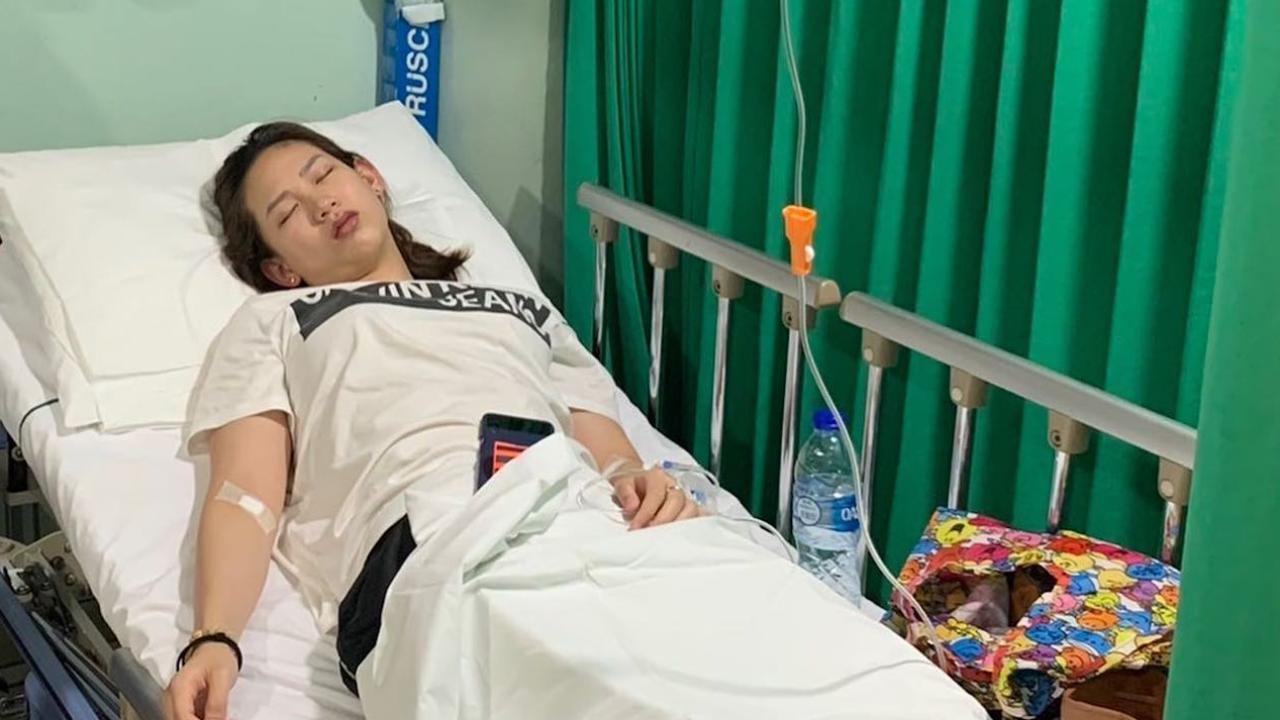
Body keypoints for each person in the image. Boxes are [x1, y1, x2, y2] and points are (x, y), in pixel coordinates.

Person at [162, 123, 703, 720]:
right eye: (289, 214)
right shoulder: (279, 320)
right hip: (427, 543)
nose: (321, 205)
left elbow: (603, 440)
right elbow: (245, 495)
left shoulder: (521, 309)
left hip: (579, 513)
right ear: (281, 270)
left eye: (324, 176)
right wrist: (214, 639)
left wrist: (634, 479)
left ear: (369, 177)